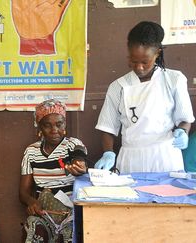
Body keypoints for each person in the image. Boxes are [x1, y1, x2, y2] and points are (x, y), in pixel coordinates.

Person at [94, 21, 195, 173]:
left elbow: (185, 119)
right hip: (131, 158)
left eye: (145, 62)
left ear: (157, 54)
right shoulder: (118, 86)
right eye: (134, 62)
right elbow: (107, 127)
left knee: (165, 195)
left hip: (165, 157)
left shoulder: (174, 79)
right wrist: (108, 153)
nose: (139, 67)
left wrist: (183, 132)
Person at [19, 99, 87, 243]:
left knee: (72, 234)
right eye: (47, 125)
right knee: (32, 228)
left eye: (59, 124)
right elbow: (23, 192)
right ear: (39, 128)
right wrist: (32, 202)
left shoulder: (72, 144)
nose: (54, 130)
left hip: (70, 214)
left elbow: (79, 158)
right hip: (45, 213)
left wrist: (79, 166)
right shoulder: (31, 152)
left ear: (65, 124)